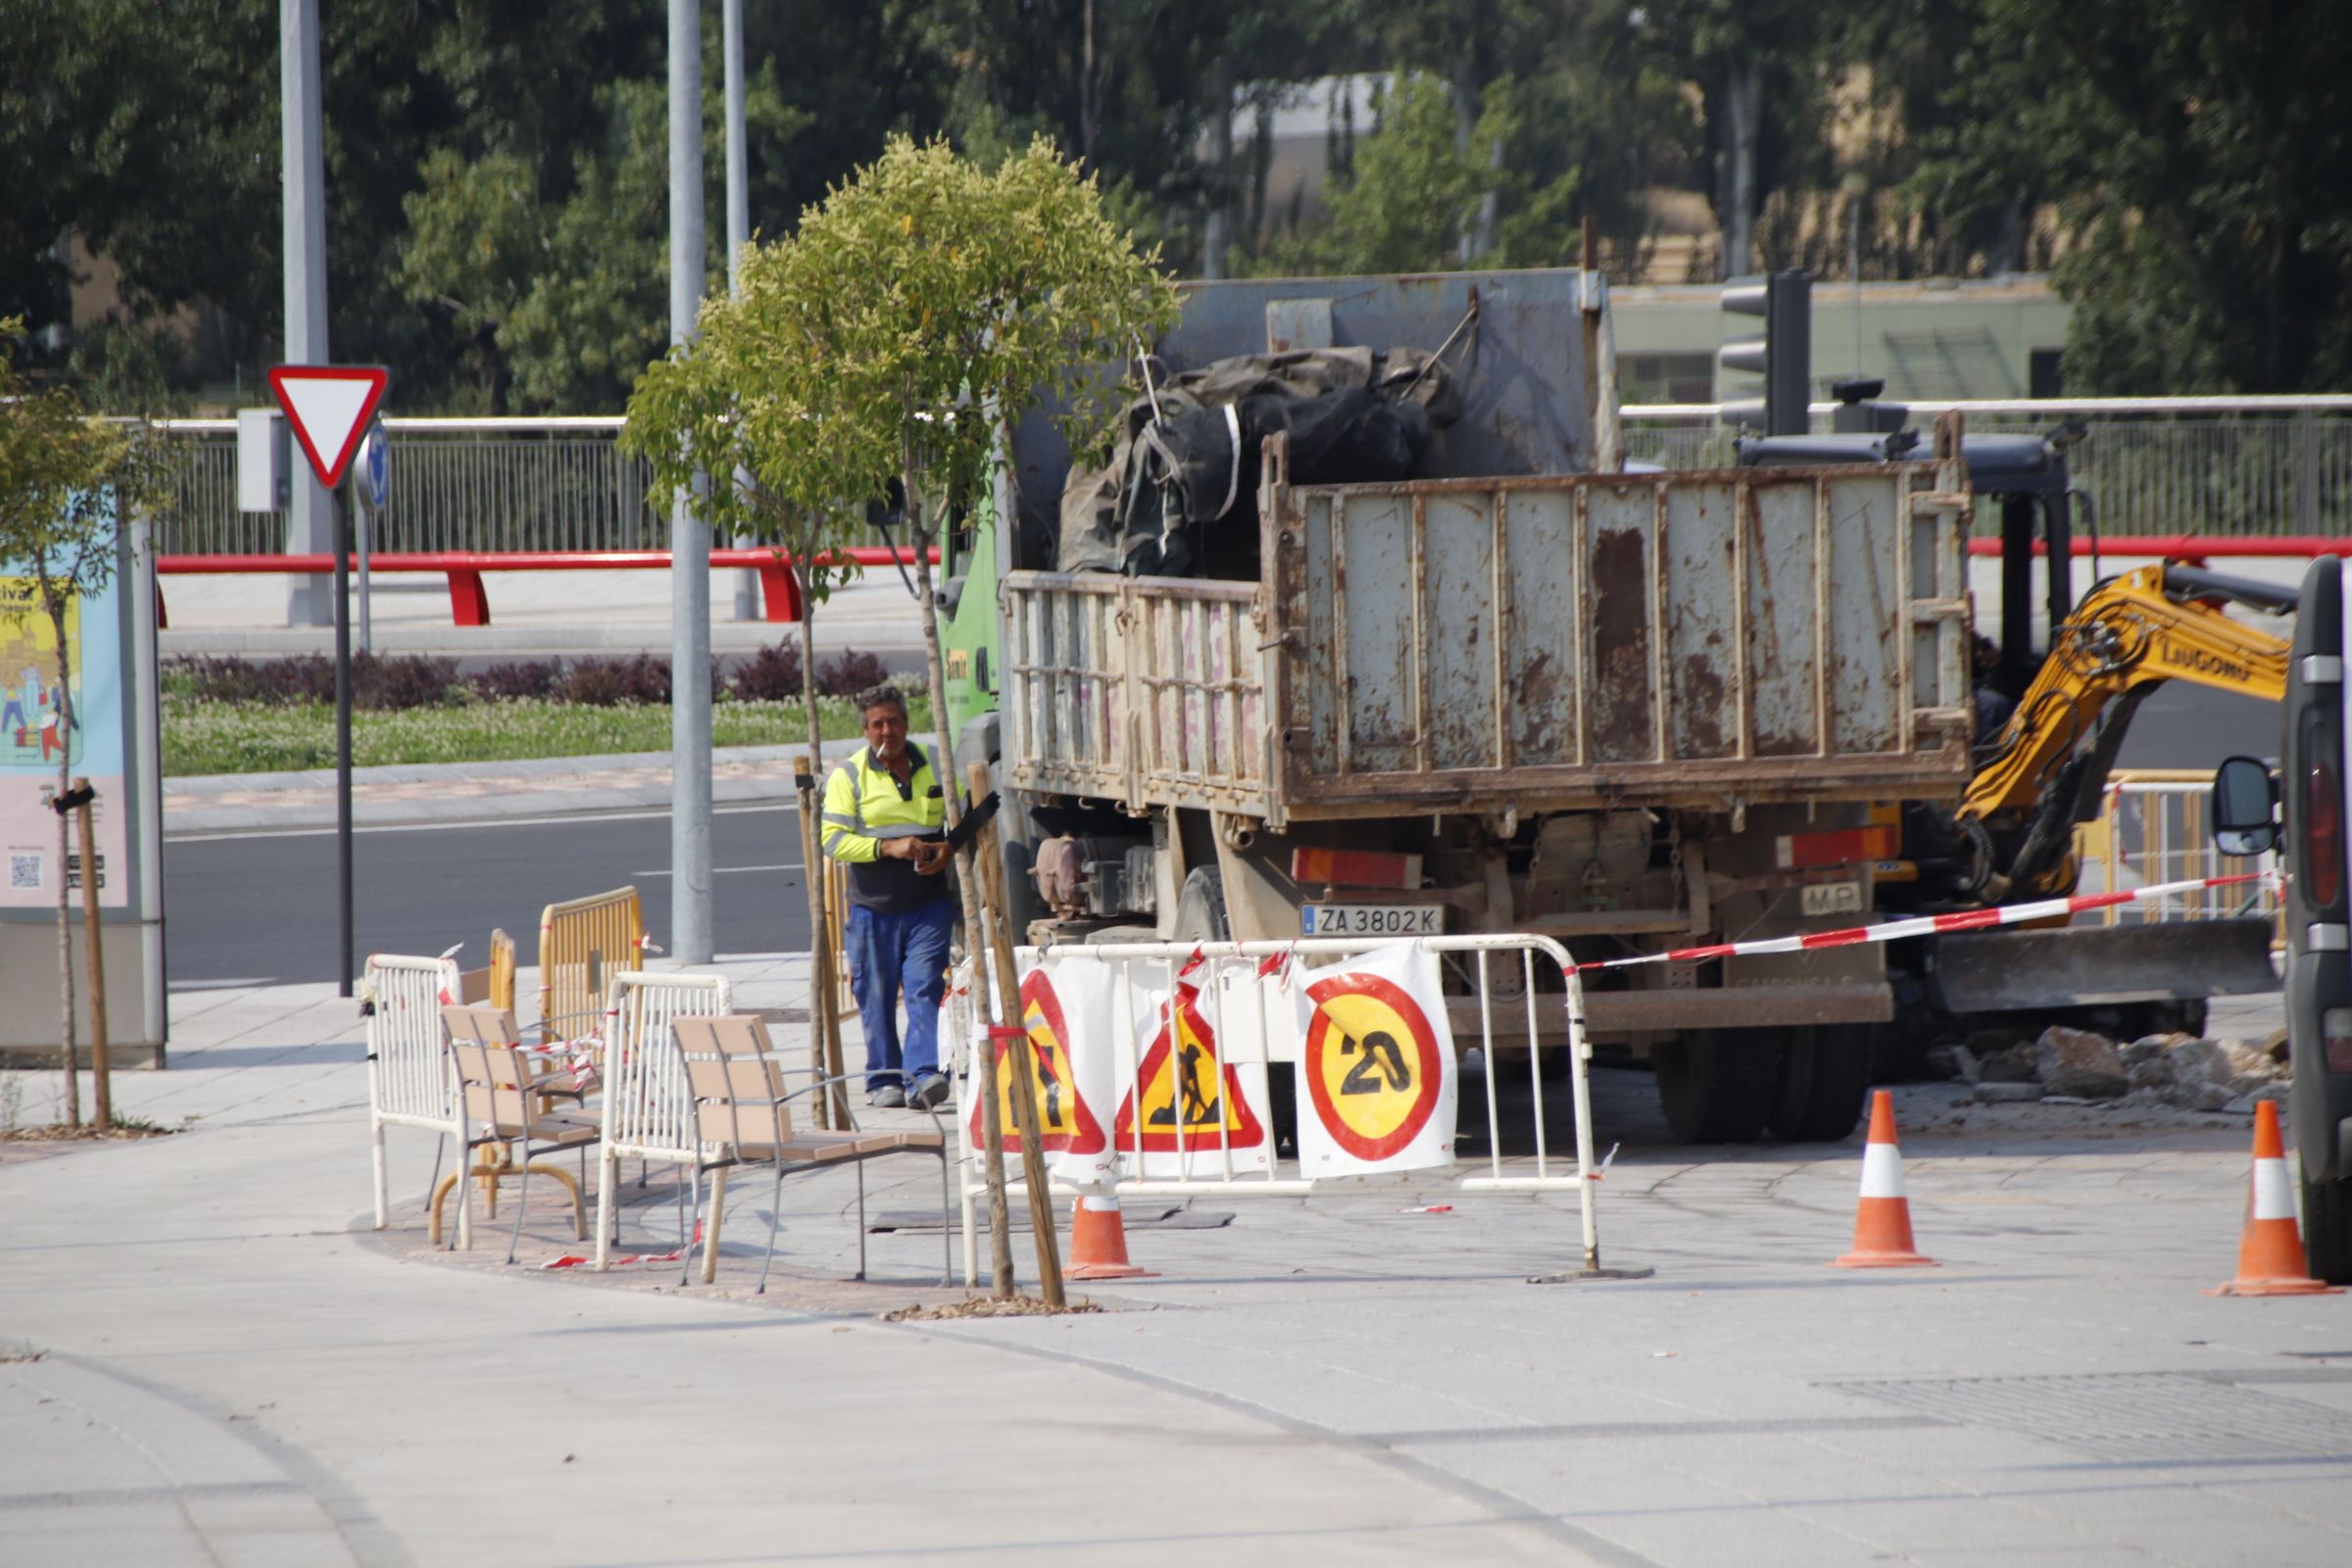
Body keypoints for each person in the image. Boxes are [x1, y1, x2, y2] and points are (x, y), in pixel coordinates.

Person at [820, 683, 956, 1109]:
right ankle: (884, 1079)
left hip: (928, 904)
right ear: (865, 730)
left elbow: (960, 820)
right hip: (872, 910)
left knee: (924, 986)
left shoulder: (934, 763)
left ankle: (923, 1076)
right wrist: (888, 847)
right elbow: (833, 841)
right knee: (874, 995)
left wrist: (947, 848)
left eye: (893, 721)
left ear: (906, 723)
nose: (887, 731)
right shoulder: (848, 775)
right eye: (877, 724)